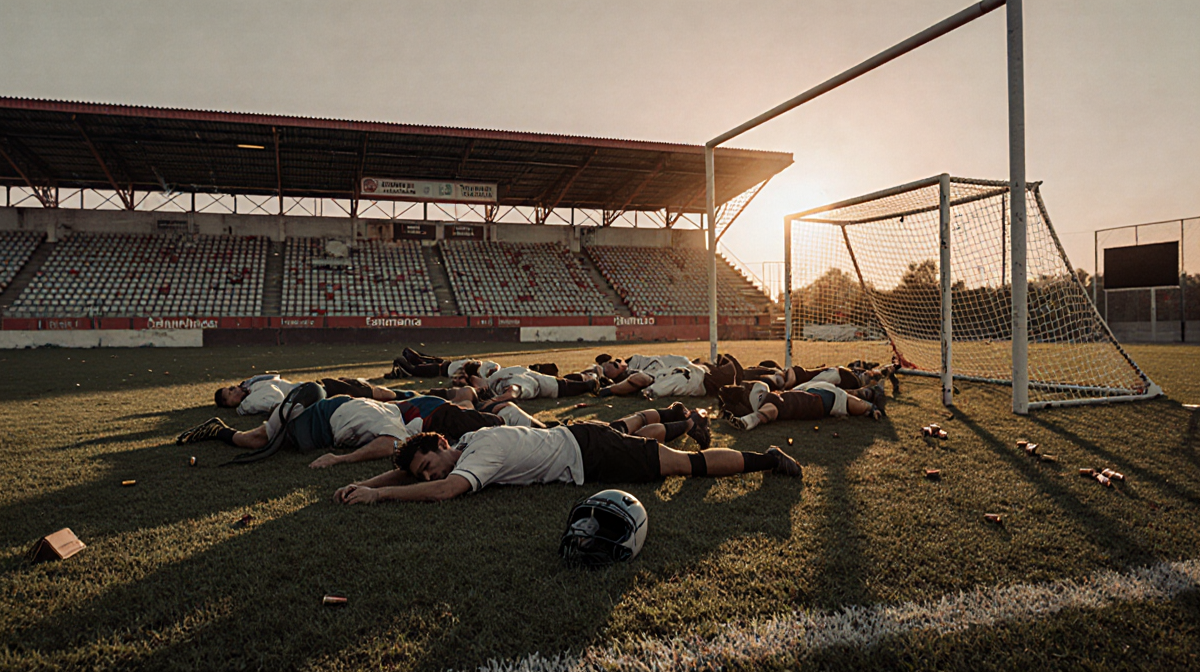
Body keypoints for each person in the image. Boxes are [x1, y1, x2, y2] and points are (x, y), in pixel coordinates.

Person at [331, 407, 792, 505]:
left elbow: (445, 490)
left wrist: (379, 498)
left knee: (683, 466)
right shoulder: (468, 445)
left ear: (441, 445)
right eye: (420, 473)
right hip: (583, 446)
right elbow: (417, 477)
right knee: (665, 458)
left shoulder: (478, 453)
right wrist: (368, 483)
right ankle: (682, 421)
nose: (425, 475)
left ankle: (768, 459)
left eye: (427, 464)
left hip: (591, 452)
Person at [178, 395, 413, 468]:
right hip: (320, 417)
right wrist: (339, 459)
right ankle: (217, 430)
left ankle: (219, 429)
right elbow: (389, 444)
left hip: (327, 411)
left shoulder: (394, 412)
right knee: (256, 441)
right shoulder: (398, 425)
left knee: (260, 438)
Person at [721, 380, 888, 430]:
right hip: (811, 396)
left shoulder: (840, 395)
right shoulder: (828, 387)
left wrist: (870, 408)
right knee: (850, 398)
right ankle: (873, 393)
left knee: (781, 403)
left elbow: (856, 404)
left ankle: (750, 420)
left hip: (818, 399)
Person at [214, 374, 399, 415]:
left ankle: (403, 395)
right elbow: (277, 401)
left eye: (231, 388)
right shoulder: (249, 401)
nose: (234, 390)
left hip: (317, 386)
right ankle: (404, 397)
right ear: (228, 403)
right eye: (229, 393)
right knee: (376, 394)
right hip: (318, 389)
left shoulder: (253, 388)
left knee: (367, 390)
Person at [594, 353, 741, 400]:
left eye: (615, 361)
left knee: (726, 361)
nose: (617, 362)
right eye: (613, 365)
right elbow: (639, 380)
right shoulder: (635, 374)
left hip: (697, 368)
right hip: (695, 377)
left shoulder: (636, 360)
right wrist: (609, 389)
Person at [385, 348, 500, 380]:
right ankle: (400, 361)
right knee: (413, 368)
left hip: (442, 364)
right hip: (438, 368)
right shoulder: (473, 372)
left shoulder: (475, 364)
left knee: (416, 361)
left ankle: (402, 360)